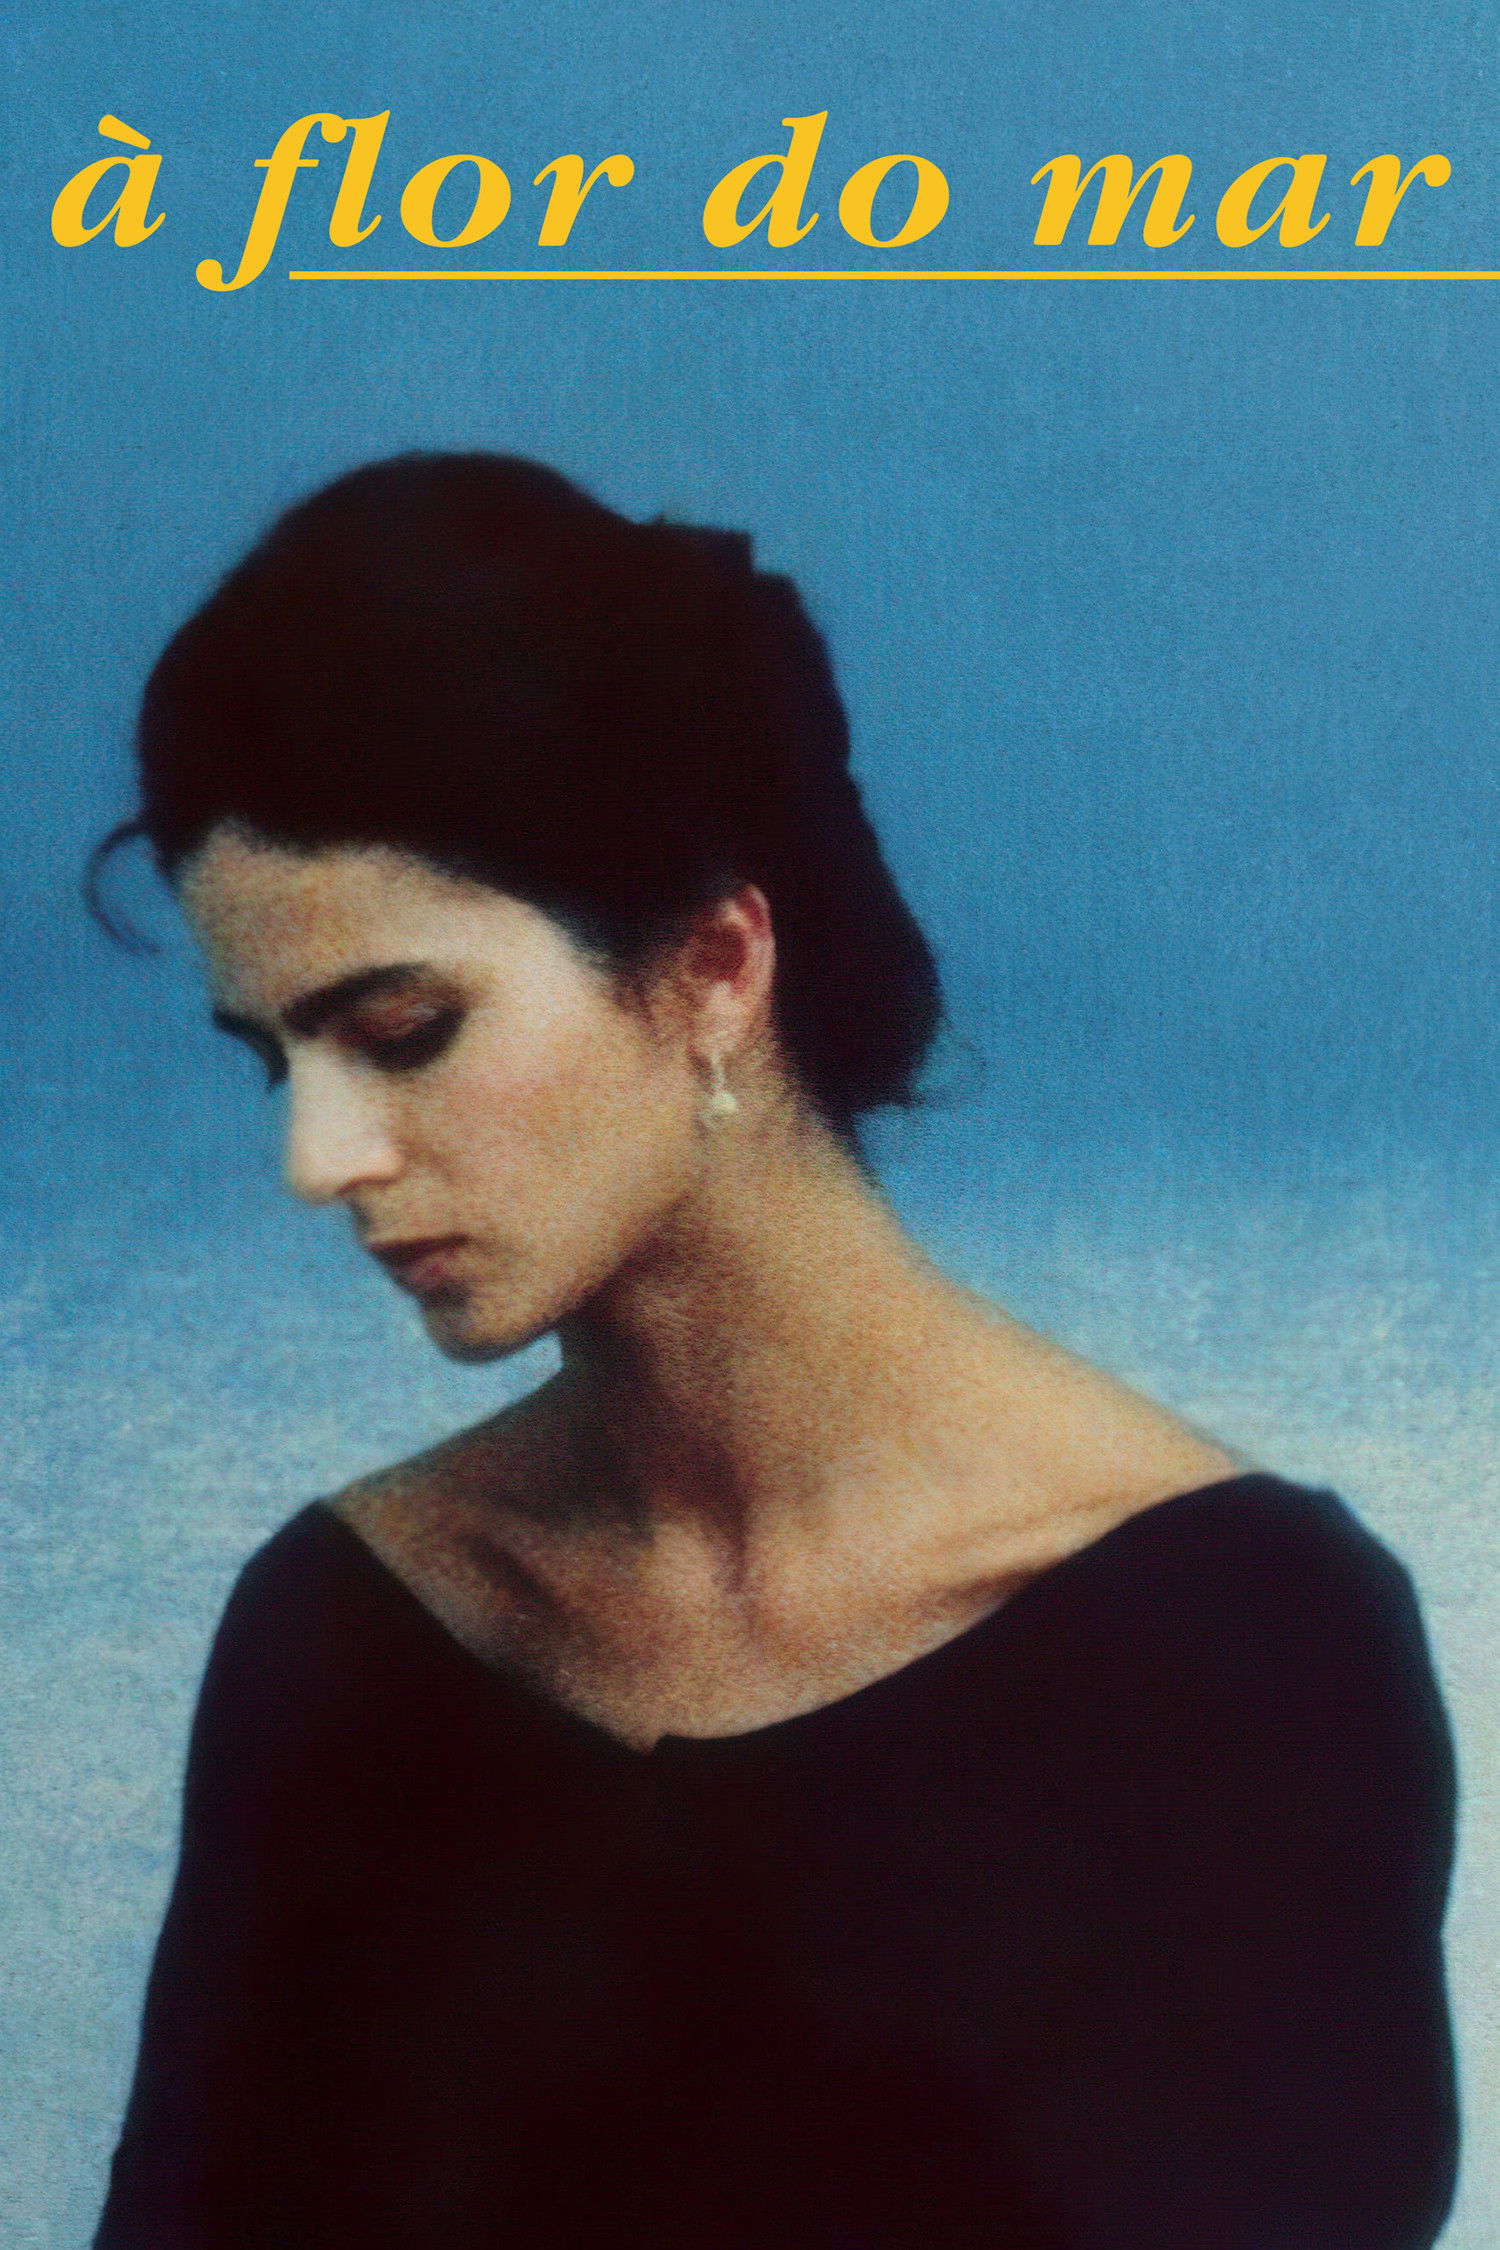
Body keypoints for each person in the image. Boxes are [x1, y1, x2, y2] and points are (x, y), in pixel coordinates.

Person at [91, 453, 1458, 2249]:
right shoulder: (353, 1630)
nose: (318, 1156)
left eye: (404, 1029)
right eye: (278, 1059)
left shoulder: (1244, 1650)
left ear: (717, 965)